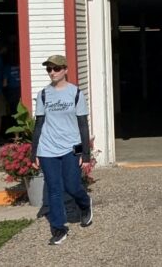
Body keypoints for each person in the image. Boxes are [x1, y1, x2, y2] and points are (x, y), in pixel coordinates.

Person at [31, 54, 94, 245]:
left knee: (73, 186)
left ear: (65, 70)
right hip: (47, 148)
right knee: (55, 189)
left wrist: (85, 153)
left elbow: (83, 124)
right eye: (49, 69)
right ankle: (59, 229)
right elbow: (39, 124)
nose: (52, 72)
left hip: (71, 146)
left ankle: (85, 205)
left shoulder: (76, 93)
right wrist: (34, 152)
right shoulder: (43, 94)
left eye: (56, 68)